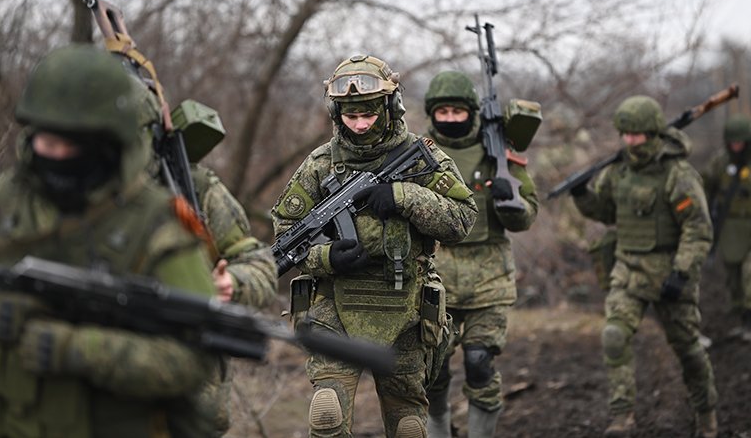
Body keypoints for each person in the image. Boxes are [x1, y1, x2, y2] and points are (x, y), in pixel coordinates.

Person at [0, 45, 218, 438]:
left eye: (71, 144)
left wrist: (79, 349)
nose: (54, 153)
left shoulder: (160, 225)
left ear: (108, 141)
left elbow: (194, 360)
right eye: (45, 139)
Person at [271, 54, 478, 438]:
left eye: (368, 114)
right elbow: (286, 233)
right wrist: (326, 257)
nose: (361, 125)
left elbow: (463, 219)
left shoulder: (423, 157)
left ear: (390, 107)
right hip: (335, 304)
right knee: (326, 414)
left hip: (405, 306)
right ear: (337, 114)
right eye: (351, 116)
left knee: (408, 426)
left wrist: (404, 196)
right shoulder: (320, 165)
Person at [132, 64, 278, 435]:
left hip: (191, 394)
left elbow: (259, 263)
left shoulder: (193, 186)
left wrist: (234, 283)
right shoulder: (62, 185)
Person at [571, 95, 718, 438]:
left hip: (671, 273)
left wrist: (682, 272)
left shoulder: (678, 174)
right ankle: (622, 416)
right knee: (614, 336)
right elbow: (606, 212)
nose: (630, 142)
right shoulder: (617, 172)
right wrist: (582, 195)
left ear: (653, 134)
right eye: (625, 134)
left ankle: (706, 414)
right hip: (629, 270)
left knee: (688, 348)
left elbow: (698, 228)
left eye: (637, 135)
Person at [422, 71, 539, 438]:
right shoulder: (418, 155)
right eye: (444, 112)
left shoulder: (498, 153)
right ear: (432, 114)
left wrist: (511, 200)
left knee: (480, 363)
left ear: (471, 112)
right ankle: (439, 431)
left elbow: (526, 217)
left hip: (489, 280)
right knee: (433, 371)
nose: (451, 119)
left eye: (459, 111)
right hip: (434, 279)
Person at [702, 113, 751, 341]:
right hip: (729, 227)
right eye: (733, 142)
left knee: (749, 274)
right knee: (733, 275)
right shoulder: (720, 162)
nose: (737, 146)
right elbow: (705, 188)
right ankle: (742, 315)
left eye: (741, 141)